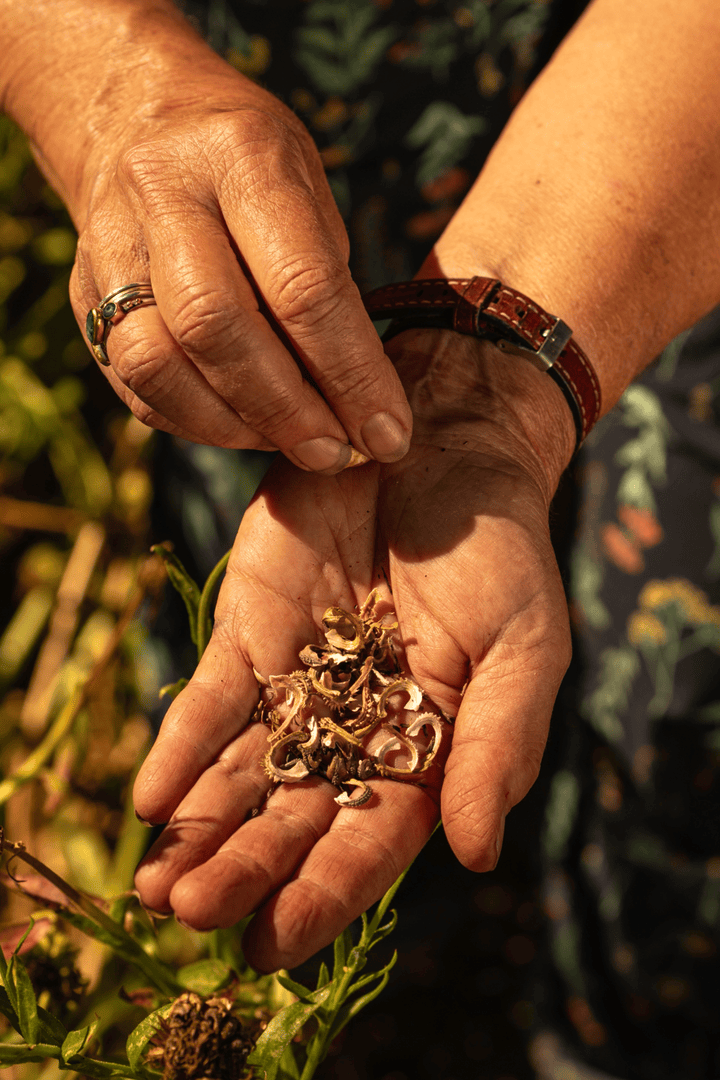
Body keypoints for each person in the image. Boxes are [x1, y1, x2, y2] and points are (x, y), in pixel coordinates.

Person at [2, 0, 720, 1074]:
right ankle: (391, 984)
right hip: (273, 165)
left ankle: (611, 1027)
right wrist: (116, 88)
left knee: (676, 727)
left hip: (673, 155)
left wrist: (495, 383)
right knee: (274, 495)